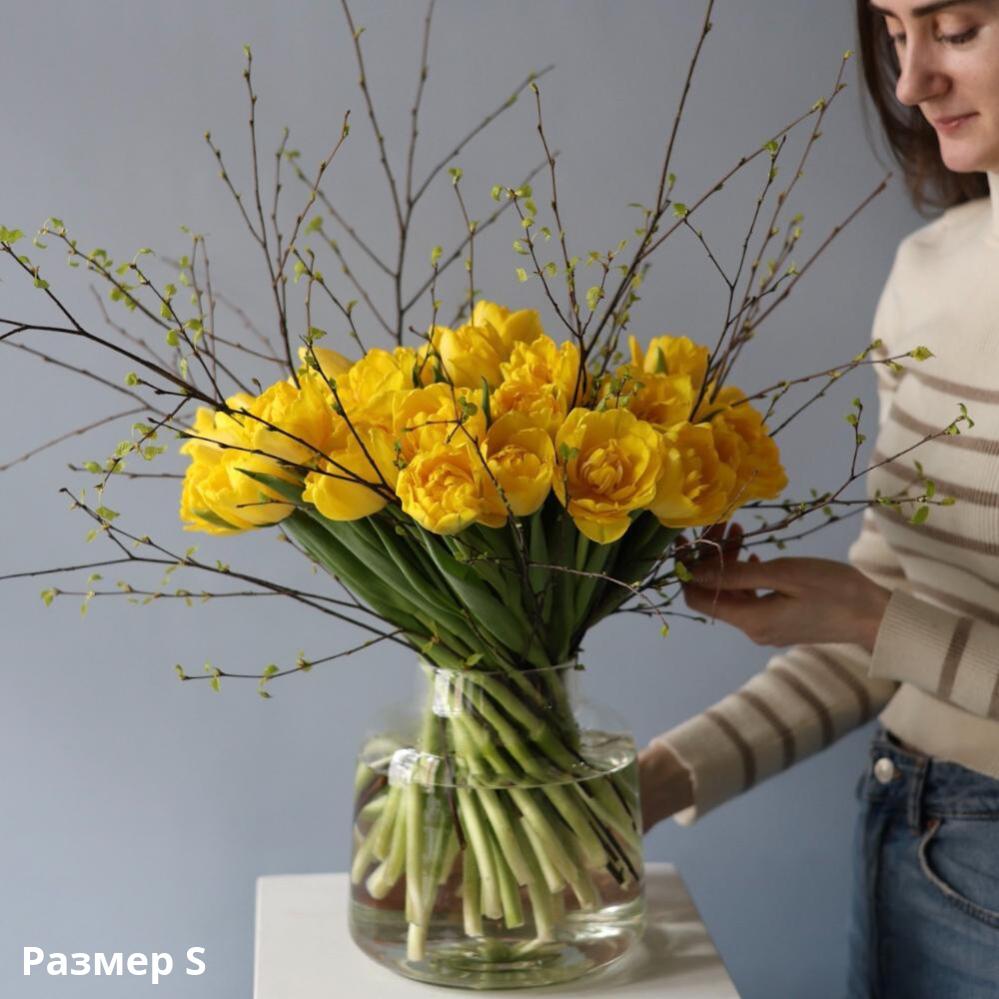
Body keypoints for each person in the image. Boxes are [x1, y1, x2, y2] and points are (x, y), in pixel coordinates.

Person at [638, 1, 999, 995]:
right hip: (905, 834)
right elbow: (888, 637)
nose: (910, 84)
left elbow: (887, 623)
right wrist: (647, 787)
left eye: (955, 30)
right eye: (895, 33)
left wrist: (873, 617)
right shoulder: (926, 277)